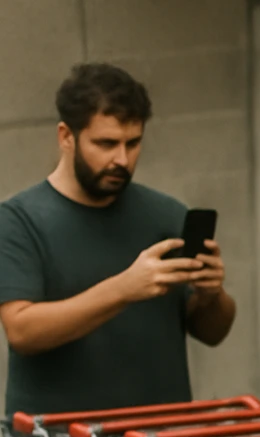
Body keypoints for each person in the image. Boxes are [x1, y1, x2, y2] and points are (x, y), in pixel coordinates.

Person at [0, 63, 236, 414]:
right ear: (67, 136)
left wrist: (210, 294)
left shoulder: (166, 213)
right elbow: (22, 332)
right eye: (106, 144)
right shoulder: (19, 219)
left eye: (133, 143)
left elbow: (213, 333)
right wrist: (124, 289)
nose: (121, 159)